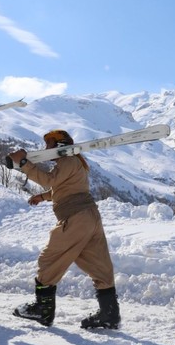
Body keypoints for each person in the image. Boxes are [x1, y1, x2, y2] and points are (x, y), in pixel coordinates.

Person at [7, 129, 119, 329]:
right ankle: (109, 314)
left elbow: (50, 180)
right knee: (99, 265)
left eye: (48, 144)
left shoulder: (68, 160)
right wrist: (43, 197)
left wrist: (24, 163)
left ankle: (43, 309)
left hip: (75, 219)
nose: (45, 149)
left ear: (59, 145)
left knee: (49, 259)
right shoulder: (77, 162)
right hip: (90, 217)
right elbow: (65, 188)